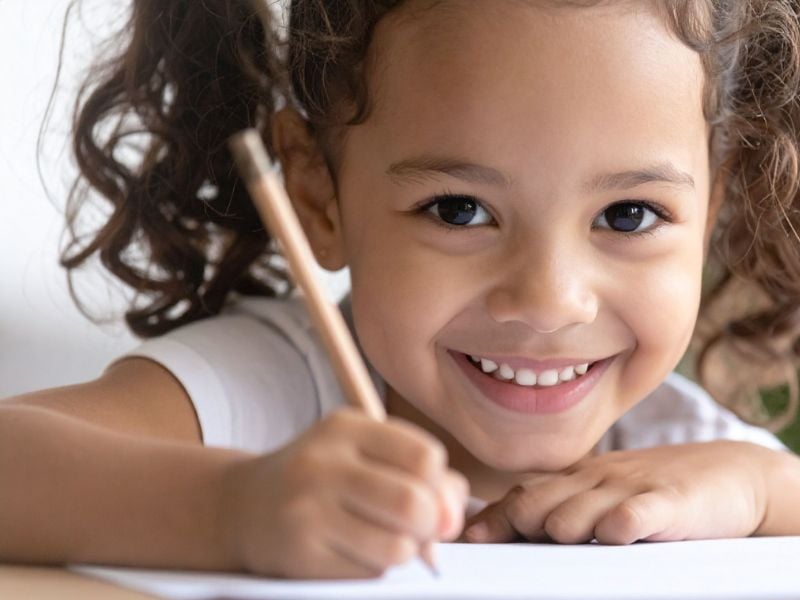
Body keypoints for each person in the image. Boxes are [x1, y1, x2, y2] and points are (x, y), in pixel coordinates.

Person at [2, 0, 800, 580]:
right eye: (459, 209)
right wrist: (234, 511)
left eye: (629, 214)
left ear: (712, 208)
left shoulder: (678, 450)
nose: (551, 299)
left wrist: (765, 489)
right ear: (319, 195)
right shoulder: (268, 393)